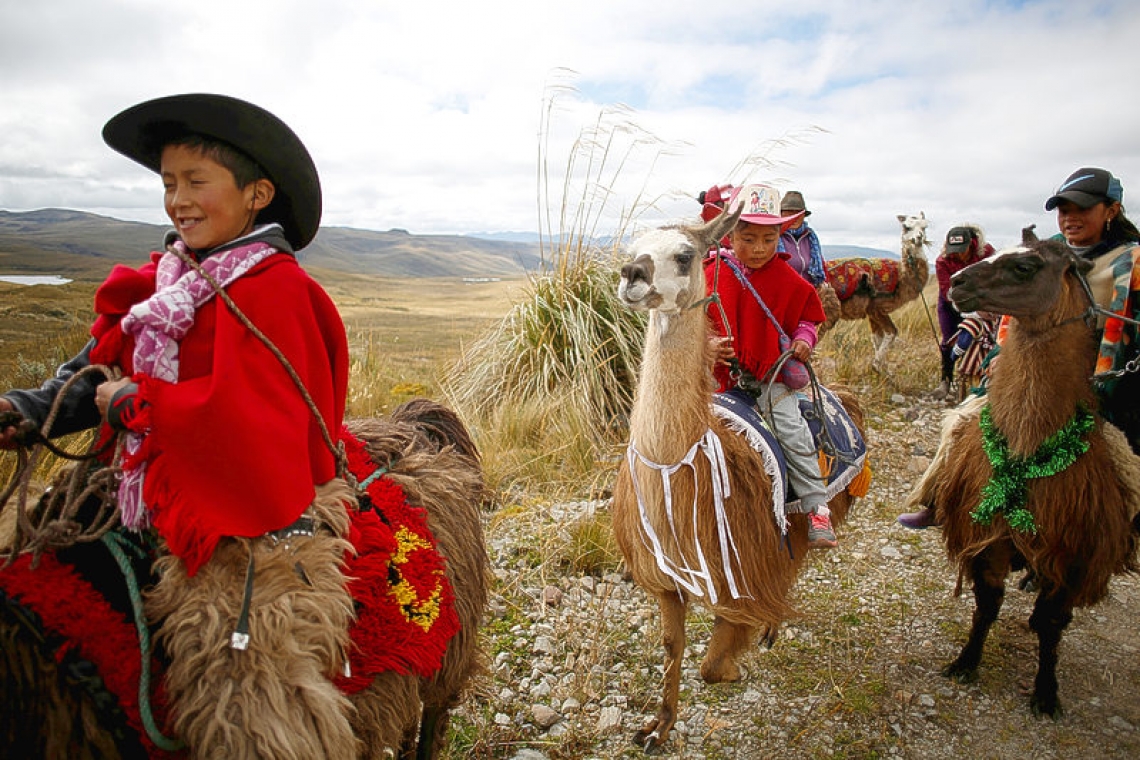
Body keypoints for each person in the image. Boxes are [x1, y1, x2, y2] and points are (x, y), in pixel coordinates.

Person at [0, 93, 349, 575]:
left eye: (196, 182)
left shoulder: (280, 293)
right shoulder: (168, 282)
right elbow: (103, 369)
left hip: (230, 512)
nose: (178, 201)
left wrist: (140, 407)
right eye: (169, 184)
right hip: (137, 488)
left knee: (234, 641)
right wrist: (30, 411)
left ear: (257, 194)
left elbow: (263, 429)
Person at [898, 166, 1140, 529]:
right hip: (1030, 374)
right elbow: (1010, 317)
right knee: (961, 422)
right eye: (1064, 210)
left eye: (1082, 209)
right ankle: (937, 497)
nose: (1070, 218)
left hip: (1101, 379)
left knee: (1125, 452)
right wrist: (997, 357)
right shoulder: (1044, 254)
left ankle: (1123, 524)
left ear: (1112, 210)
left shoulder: (1130, 263)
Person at [705, 183, 838, 549]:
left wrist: (804, 340)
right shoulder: (712, 273)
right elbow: (694, 324)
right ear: (729, 234)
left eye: (769, 238)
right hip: (715, 378)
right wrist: (708, 346)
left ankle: (816, 508)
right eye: (748, 238)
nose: (760, 248)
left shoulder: (788, 280)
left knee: (793, 430)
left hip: (769, 375)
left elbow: (808, 319)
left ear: (781, 234)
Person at [932, 224, 994, 399]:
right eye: (955, 250)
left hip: (982, 301)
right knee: (948, 340)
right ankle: (946, 379)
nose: (959, 254)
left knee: (984, 337)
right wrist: (970, 311)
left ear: (972, 243)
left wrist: (983, 307)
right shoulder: (942, 261)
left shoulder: (986, 254)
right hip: (951, 302)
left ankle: (981, 378)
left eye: (962, 249)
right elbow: (947, 291)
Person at [778, 191, 827, 287]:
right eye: (789, 213)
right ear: (781, 214)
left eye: (797, 213)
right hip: (783, 291)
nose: (794, 217)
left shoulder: (811, 238)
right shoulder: (773, 237)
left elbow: (821, 266)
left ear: (804, 215)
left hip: (809, 294)